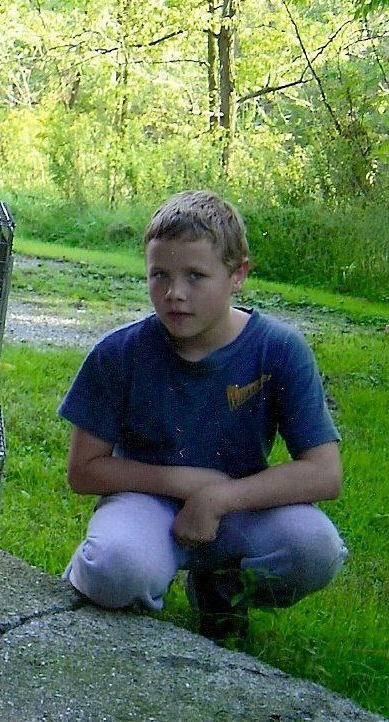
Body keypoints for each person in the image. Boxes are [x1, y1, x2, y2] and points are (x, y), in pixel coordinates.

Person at [58, 190, 347, 644]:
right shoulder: (119, 354)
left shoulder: (279, 349)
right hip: (145, 499)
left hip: (239, 505)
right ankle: (128, 574)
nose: (175, 293)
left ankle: (221, 586)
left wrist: (216, 499)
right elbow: (83, 471)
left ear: (238, 275)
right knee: (115, 570)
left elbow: (325, 474)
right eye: (160, 275)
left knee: (315, 549)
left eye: (196, 276)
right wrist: (186, 484)